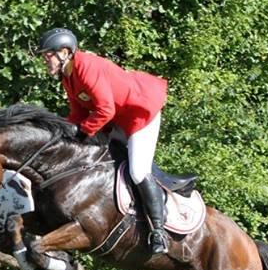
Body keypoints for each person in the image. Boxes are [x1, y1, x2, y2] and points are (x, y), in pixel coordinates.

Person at [36, 27, 170, 254]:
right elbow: (78, 111)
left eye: (48, 55)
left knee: (138, 171)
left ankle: (159, 231)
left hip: (140, 114)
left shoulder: (86, 68)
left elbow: (105, 109)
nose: (45, 61)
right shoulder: (68, 77)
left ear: (65, 52)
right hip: (118, 116)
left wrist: (83, 131)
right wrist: (66, 132)